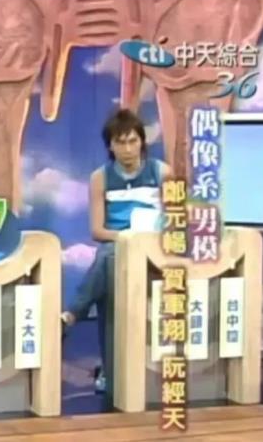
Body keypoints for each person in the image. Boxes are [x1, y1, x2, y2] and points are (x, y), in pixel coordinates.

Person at [61, 108, 172, 394]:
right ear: (110, 146)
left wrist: (150, 238)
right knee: (110, 261)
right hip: (118, 246)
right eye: (120, 142)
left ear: (142, 141)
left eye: (133, 141)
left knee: (107, 257)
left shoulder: (162, 173)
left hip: (154, 248)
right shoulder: (100, 178)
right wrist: (127, 237)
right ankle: (111, 374)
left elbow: (176, 220)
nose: (127, 149)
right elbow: (98, 231)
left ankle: (72, 315)